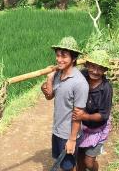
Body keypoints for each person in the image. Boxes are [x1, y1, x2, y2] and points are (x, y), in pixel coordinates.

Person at [41, 36, 89, 171]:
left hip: (68, 133)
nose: (59, 59)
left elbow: (77, 115)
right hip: (57, 129)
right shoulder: (58, 74)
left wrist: (72, 139)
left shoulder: (79, 83)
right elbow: (49, 96)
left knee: (68, 167)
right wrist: (49, 79)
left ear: (73, 58)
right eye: (57, 55)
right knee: (60, 162)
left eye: (64, 56)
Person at [73, 50, 113, 171]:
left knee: (89, 163)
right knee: (79, 159)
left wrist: (84, 116)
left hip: (97, 130)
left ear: (105, 70)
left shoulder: (106, 88)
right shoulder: (83, 75)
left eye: (100, 68)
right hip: (83, 127)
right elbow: (70, 74)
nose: (95, 71)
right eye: (93, 66)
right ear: (87, 65)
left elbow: (103, 115)